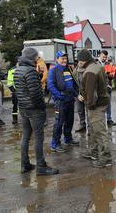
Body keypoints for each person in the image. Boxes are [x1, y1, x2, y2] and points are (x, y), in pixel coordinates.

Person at [14, 47, 58, 175]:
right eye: (36, 57)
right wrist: (42, 107)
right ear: (32, 57)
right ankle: (41, 166)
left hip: (23, 108)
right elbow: (35, 93)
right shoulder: (30, 71)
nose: (37, 59)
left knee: (26, 136)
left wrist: (37, 75)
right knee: (39, 137)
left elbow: (23, 89)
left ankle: (25, 164)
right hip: (34, 109)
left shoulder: (18, 70)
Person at [77, 49, 112, 168]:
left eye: (79, 61)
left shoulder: (90, 71)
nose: (78, 63)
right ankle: (93, 152)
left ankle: (106, 158)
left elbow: (92, 93)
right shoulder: (97, 65)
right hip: (99, 103)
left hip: (96, 106)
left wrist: (89, 105)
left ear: (83, 60)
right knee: (92, 129)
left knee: (99, 131)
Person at [47, 51, 79, 152]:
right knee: (59, 122)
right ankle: (55, 144)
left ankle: (68, 139)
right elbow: (50, 86)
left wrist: (76, 95)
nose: (64, 60)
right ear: (57, 59)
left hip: (70, 99)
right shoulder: (53, 70)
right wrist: (59, 95)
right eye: (62, 58)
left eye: (65, 58)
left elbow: (71, 85)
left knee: (69, 120)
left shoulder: (67, 69)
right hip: (60, 100)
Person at [98, 50, 116, 126]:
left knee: (108, 104)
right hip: (99, 88)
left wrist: (110, 75)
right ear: (100, 55)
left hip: (108, 87)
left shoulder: (109, 64)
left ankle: (109, 120)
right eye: (103, 57)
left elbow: (114, 72)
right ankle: (100, 121)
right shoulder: (95, 63)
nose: (104, 58)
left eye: (105, 57)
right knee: (100, 105)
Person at [73, 62, 87, 132]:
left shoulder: (88, 70)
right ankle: (82, 125)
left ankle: (90, 128)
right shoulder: (75, 72)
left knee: (89, 111)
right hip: (79, 94)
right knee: (80, 110)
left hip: (87, 94)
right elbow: (74, 84)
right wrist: (78, 95)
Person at [7, 57, 19, 124]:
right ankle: (15, 119)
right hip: (15, 91)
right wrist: (14, 91)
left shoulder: (24, 69)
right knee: (15, 106)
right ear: (17, 62)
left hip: (23, 91)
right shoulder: (11, 71)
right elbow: (9, 83)